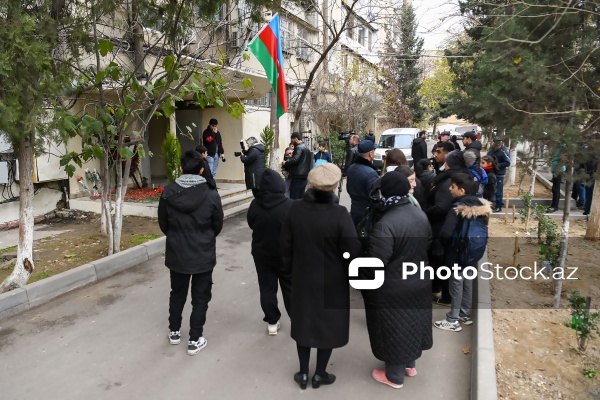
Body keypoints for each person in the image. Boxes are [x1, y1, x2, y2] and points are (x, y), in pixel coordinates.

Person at [281, 163, 361, 390]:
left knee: (303, 323)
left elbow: (285, 245)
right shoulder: (340, 214)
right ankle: (320, 374)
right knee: (327, 326)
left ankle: (303, 373)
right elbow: (351, 250)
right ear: (335, 186)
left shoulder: (295, 209)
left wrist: (288, 270)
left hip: (303, 277)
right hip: (333, 281)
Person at [364, 172, 433, 389]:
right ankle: (409, 365)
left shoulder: (386, 223)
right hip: (419, 280)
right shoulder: (419, 214)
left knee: (394, 328)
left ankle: (394, 376)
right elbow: (428, 243)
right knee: (411, 325)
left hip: (393, 286)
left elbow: (376, 261)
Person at [158, 150, 224, 355]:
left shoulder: (168, 192)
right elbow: (217, 225)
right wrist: (204, 237)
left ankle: (175, 331)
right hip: (203, 254)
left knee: (177, 293)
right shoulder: (211, 194)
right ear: (202, 170)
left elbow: (163, 224)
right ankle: (195, 339)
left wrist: (177, 237)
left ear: (180, 168)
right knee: (200, 297)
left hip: (177, 253)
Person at [434, 173, 491, 332]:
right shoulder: (482, 207)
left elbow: (445, 233)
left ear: (462, 190)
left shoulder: (457, 209)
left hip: (456, 253)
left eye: (453, 187)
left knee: (456, 284)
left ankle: (453, 319)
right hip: (473, 253)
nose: (450, 190)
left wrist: (443, 245)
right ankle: (465, 315)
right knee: (467, 282)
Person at [247, 169, 293, 335]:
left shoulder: (254, 204)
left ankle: (272, 322)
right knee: (290, 287)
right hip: (286, 255)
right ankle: (296, 319)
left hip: (261, 253)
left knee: (267, 288)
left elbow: (251, 223)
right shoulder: (290, 205)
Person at [424, 150, 469, 306]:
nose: (436, 156)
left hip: (441, 228)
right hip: (446, 229)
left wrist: (424, 213)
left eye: (439, 153)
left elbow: (441, 208)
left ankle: (445, 296)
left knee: (440, 261)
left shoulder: (450, 181)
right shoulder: (461, 177)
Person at [346, 140, 379, 226]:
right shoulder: (371, 173)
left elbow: (348, 188)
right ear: (370, 153)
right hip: (366, 212)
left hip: (354, 208)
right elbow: (374, 197)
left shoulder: (351, 168)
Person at [282, 133, 313, 199]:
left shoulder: (299, 147)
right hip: (304, 176)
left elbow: (295, 160)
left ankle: (295, 209)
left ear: (295, 138)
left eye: (292, 140)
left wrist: (286, 163)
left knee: (294, 197)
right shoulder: (306, 147)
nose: (292, 142)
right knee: (301, 197)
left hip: (298, 176)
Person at [486, 136, 511, 212]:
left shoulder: (503, 151)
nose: (496, 144)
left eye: (498, 142)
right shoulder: (491, 150)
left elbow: (507, 162)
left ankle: (498, 205)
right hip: (491, 173)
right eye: (495, 142)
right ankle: (491, 204)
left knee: (498, 190)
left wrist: (497, 165)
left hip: (499, 174)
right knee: (491, 190)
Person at [547, 145, 566, 213]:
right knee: (554, 188)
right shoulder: (557, 146)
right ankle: (553, 205)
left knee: (556, 189)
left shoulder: (563, 146)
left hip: (558, 170)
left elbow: (564, 159)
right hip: (555, 169)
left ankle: (555, 206)